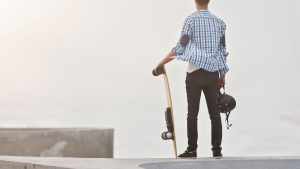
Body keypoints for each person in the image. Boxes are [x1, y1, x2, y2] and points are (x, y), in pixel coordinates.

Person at [153, 0, 229, 158]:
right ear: (209, 1)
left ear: (195, 1)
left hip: (194, 73)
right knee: (214, 114)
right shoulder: (220, 23)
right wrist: (222, 75)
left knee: (192, 113)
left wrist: (160, 64)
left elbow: (181, 47)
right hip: (213, 73)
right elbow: (222, 51)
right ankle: (217, 151)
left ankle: (192, 149)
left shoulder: (191, 20)